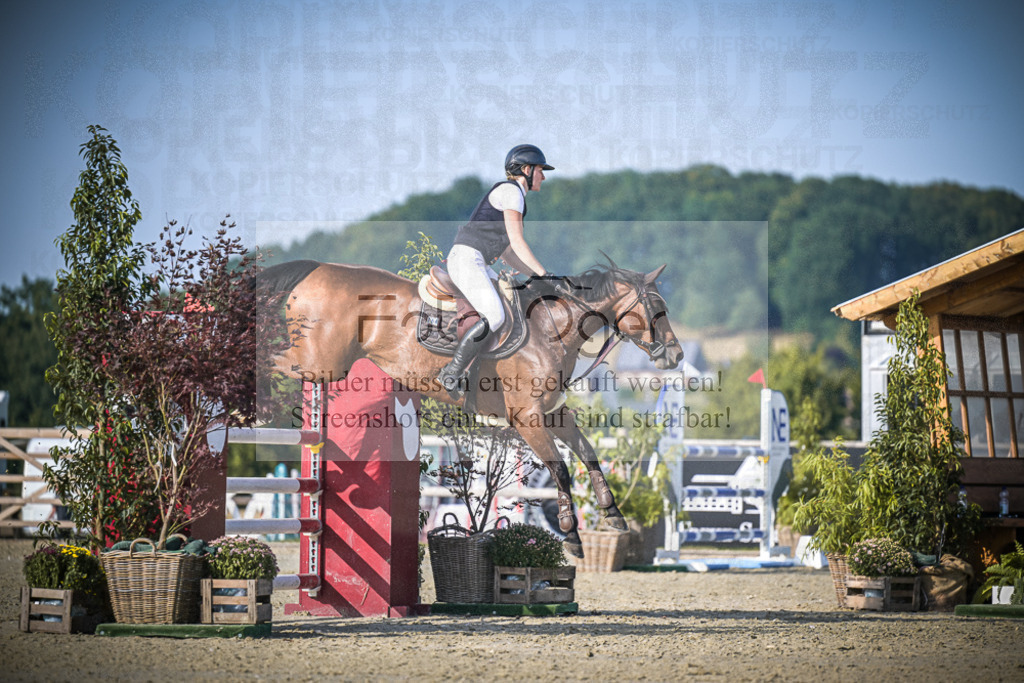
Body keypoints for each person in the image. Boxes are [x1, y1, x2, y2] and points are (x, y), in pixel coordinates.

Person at [437, 144, 554, 399]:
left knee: (511, 307)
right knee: (496, 315)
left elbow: (508, 253)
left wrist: (534, 276)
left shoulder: (513, 195)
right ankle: (452, 372)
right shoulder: (512, 193)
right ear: (526, 169)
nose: (543, 176)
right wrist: (543, 274)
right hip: (468, 259)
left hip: (478, 260)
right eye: (541, 170)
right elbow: (518, 242)